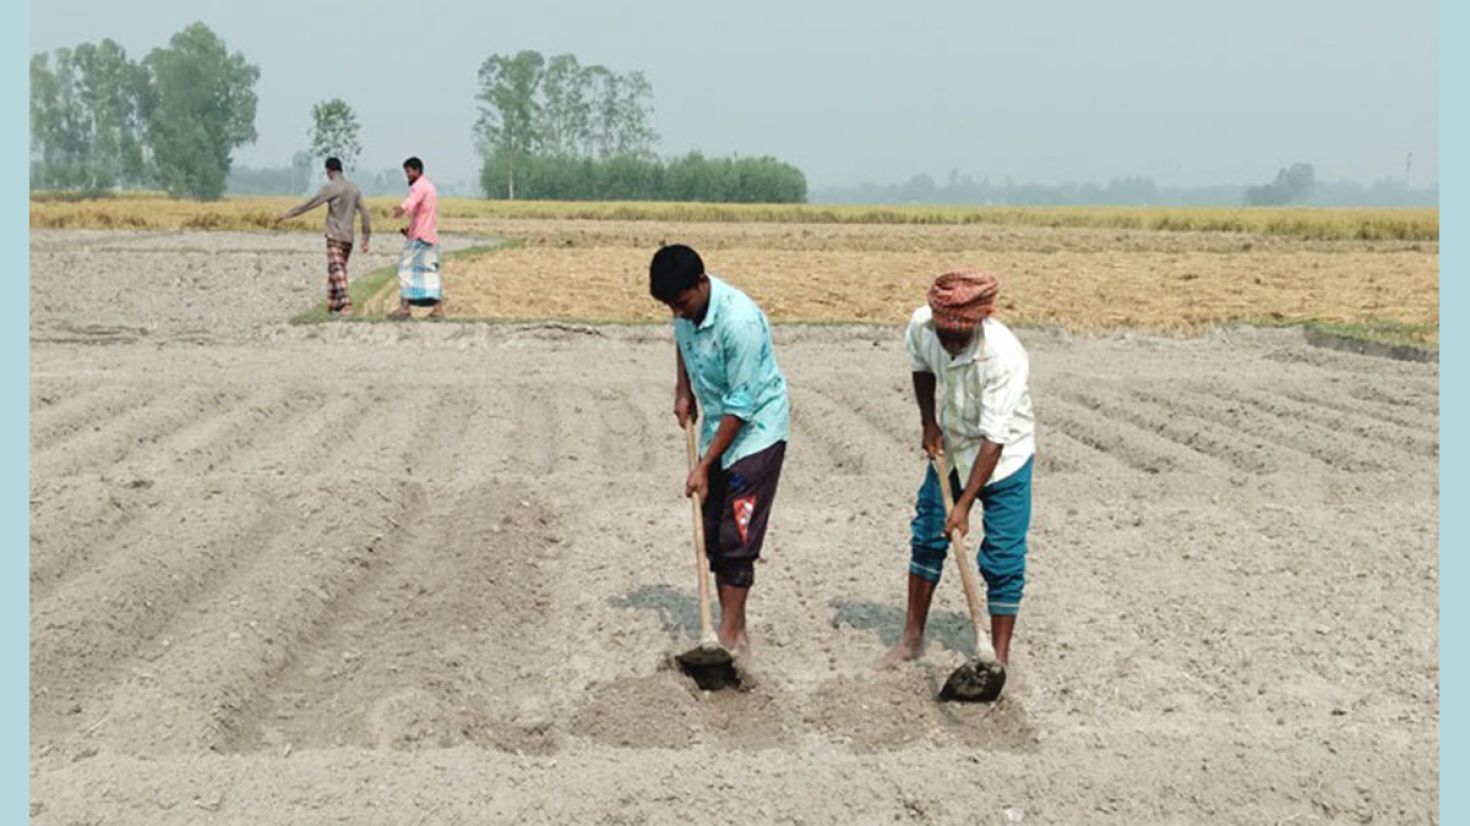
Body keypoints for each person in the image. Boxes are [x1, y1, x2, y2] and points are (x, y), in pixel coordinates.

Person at [884, 269, 1036, 679]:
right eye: (943, 335)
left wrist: (965, 505)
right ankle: (912, 639)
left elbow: (994, 438)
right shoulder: (921, 327)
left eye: (958, 337)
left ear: (979, 321)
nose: (948, 344)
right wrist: (928, 422)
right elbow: (921, 368)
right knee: (928, 535)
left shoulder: (1004, 356)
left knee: (1003, 557)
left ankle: (997, 659)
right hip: (951, 448)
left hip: (1005, 459)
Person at [650, 244, 790, 659]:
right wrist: (683, 388)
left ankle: (728, 638)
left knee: (737, 534)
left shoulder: (739, 322)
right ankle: (736, 630)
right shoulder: (684, 311)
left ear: (702, 284)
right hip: (717, 424)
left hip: (757, 431)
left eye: (681, 303)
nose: (677, 313)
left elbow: (742, 407)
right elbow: (683, 339)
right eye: (669, 307)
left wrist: (704, 465)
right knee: (711, 528)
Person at [274, 157, 371, 316]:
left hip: (334, 235)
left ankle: (346, 303)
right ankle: (333, 305)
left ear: (329, 171)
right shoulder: (354, 189)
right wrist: (365, 239)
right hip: (349, 237)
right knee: (335, 269)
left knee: (338, 269)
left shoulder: (331, 187)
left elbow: (310, 204)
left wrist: (288, 214)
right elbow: (365, 215)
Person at [389, 156, 442, 319]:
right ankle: (438, 309)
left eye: (409, 172)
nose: (408, 176)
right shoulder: (430, 187)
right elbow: (422, 214)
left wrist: (401, 208)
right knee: (430, 272)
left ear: (417, 170)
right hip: (429, 236)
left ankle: (404, 307)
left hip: (419, 237)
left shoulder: (419, 187)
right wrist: (409, 229)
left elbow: (412, 200)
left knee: (406, 269)